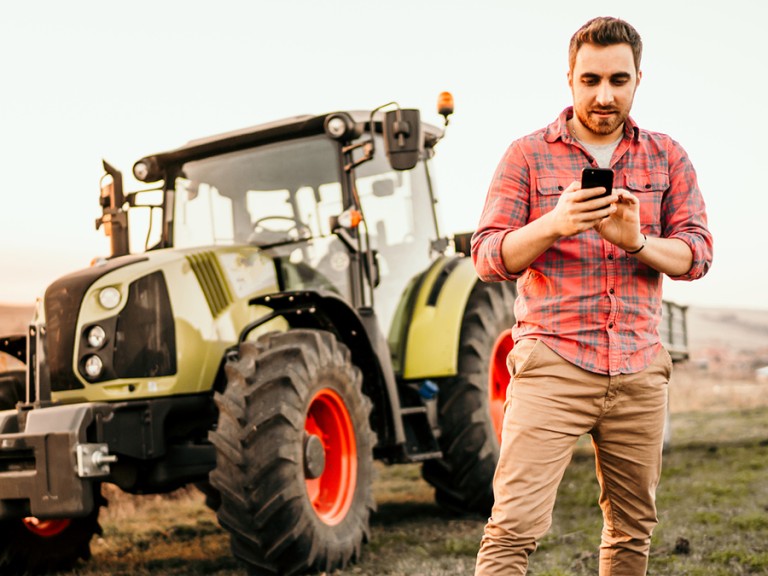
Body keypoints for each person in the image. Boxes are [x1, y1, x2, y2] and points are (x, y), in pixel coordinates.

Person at [470, 16, 713, 576]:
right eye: (591, 80)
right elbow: (487, 256)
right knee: (511, 531)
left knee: (632, 533)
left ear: (637, 80)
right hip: (553, 362)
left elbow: (697, 254)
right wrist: (554, 224)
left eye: (618, 80)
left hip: (639, 368)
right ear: (570, 79)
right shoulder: (527, 156)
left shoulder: (666, 156)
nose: (604, 95)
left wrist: (638, 243)